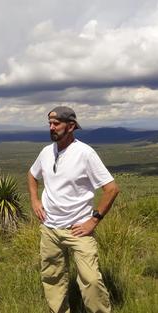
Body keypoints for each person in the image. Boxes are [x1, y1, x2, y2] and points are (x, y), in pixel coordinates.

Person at [27, 106, 119, 313]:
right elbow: (32, 175)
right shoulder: (46, 152)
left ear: (71, 126)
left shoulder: (85, 153)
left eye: (56, 123)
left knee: (92, 280)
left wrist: (94, 220)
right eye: (49, 123)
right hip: (49, 228)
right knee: (52, 277)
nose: (51, 127)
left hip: (78, 229)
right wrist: (34, 201)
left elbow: (111, 189)